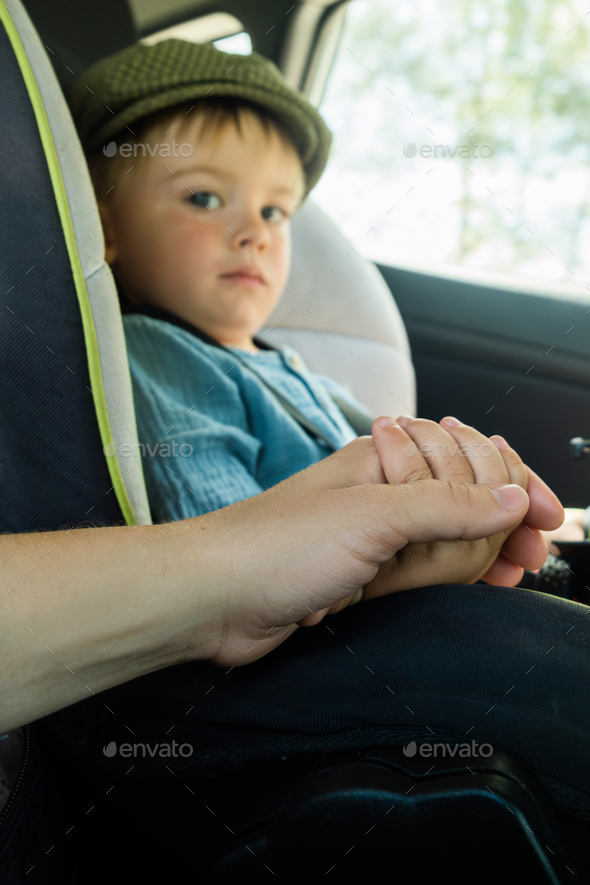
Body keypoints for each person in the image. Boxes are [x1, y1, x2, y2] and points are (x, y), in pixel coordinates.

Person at [0, 415, 562, 735]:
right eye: (202, 199)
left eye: (276, 213)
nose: (250, 234)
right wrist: (228, 568)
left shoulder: (294, 368)